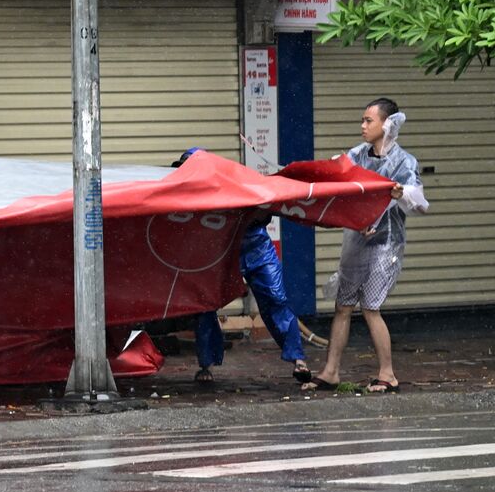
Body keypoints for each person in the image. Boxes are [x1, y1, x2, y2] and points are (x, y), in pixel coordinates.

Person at [302, 98, 426, 394]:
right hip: (356, 238)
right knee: (343, 306)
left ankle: (388, 374)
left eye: (368, 120)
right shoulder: (357, 155)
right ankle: (331, 371)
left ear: (388, 124)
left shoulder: (404, 162)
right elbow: (338, 182)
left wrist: (401, 195)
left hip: (386, 244)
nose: (362, 126)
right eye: (362, 120)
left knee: (371, 307)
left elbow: (420, 204)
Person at [175, 149, 311, 386]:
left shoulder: (235, 183)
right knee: (205, 305)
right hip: (216, 255)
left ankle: (298, 359)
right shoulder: (182, 193)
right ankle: (206, 364)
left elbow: (266, 206)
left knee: (276, 300)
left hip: (256, 248)